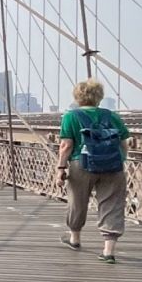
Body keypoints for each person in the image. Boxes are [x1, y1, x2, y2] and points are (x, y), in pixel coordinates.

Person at [56, 78, 130, 263]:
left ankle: (75, 239)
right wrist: (120, 160)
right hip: (112, 165)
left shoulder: (71, 116)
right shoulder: (112, 116)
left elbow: (66, 146)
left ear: (77, 96)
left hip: (81, 164)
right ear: (99, 96)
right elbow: (123, 143)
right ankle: (108, 251)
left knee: (77, 201)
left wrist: (60, 169)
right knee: (112, 204)